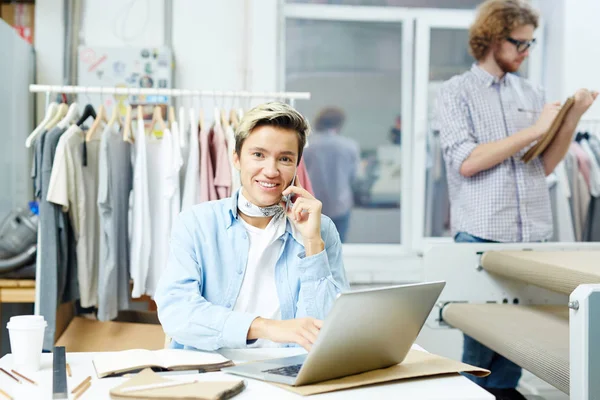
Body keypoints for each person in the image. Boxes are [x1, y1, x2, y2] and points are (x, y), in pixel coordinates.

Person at [436, 0, 597, 399]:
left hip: (532, 232)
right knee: (481, 348)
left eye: (531, 44)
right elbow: (467, 163)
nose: (527, 52)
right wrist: (534, 129)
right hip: (482, 234)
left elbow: (540, 167)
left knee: (520, 345)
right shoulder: (457, 92)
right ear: (491, 38)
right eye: (519, 43)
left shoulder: (531, 91)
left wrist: (571, 118)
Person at [155, 102, 350, 352]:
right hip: (211, 372)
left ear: (296, 166)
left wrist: (313, 243)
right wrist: (266, 327)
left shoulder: (320, 230)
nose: (270, 171)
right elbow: (177, 312)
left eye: (285, 159)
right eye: (258, 155)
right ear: (236, 159)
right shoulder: (196, 223)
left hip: (289, 373)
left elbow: (327, 331)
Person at [302, 107, 360, 242]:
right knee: (338, 247)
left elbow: (300, 175)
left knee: (313, 247)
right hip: (340, 205)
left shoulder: (307, 147)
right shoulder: (350, 146)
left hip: (313, 205)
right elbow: (355, 177)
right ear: (339, 123)